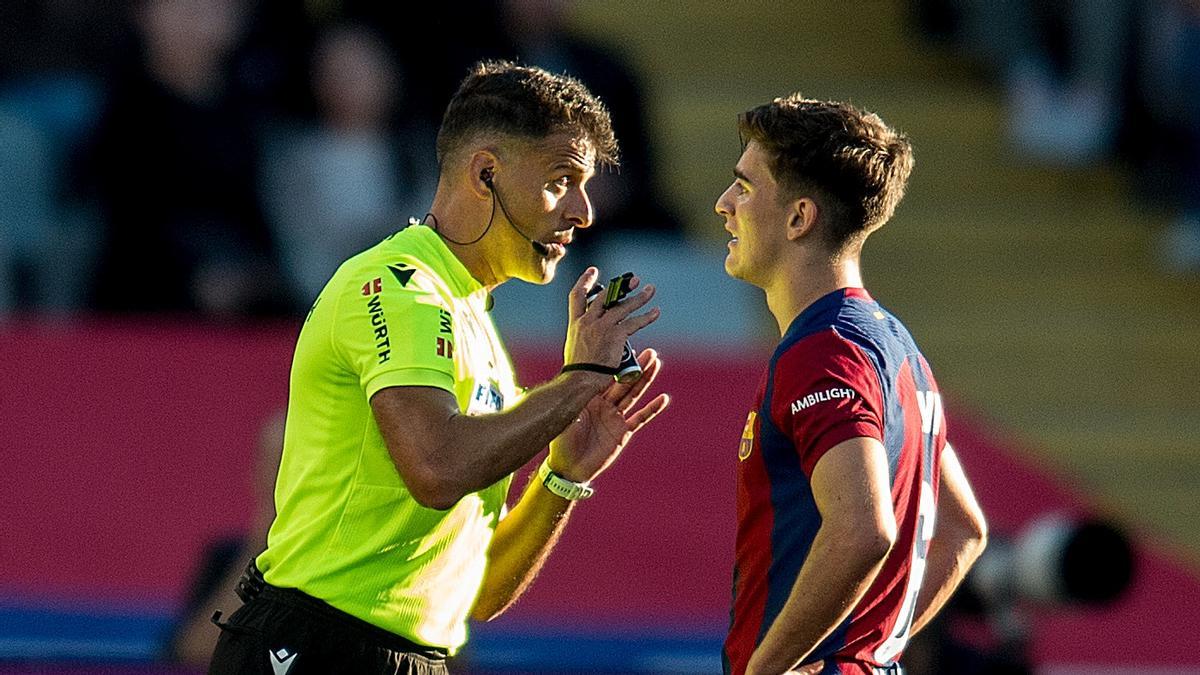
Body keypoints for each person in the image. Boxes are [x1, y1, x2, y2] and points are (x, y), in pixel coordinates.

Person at [208, 60, 670, 674]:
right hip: (315, 645)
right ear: (486, 173)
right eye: (563, 180)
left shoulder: (472, 319)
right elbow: (436, 468)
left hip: (413, 657)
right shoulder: (401, 286)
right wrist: (581, 378)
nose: (583, 212)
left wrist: (562, 476)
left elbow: (480, 591)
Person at [715, 95, 988, 675]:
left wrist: (771, 669)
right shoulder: (896, 347)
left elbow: (863, 530)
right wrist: (871, 652)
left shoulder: (825, 352)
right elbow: (963, 532)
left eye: (743, 186)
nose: (724, 204)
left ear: (799, 218)